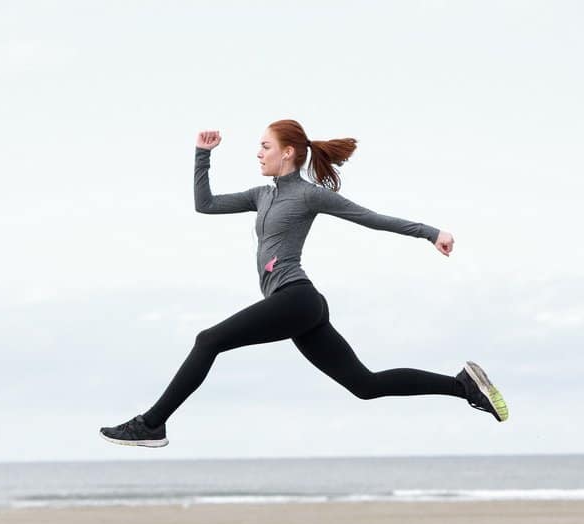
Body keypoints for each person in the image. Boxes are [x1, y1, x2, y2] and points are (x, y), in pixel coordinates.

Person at [100, 119, 507, 448]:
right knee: (365, 385)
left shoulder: (309, 196)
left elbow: (370, 217)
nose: (258, 154)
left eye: (265, 146)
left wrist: (430, 232)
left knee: (209, 340)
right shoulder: (262, 195)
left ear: (288, 152)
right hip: (296, 306)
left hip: (298, 299)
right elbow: (205, 205)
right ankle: (463, 386)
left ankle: (152, 424)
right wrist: (202, 155)